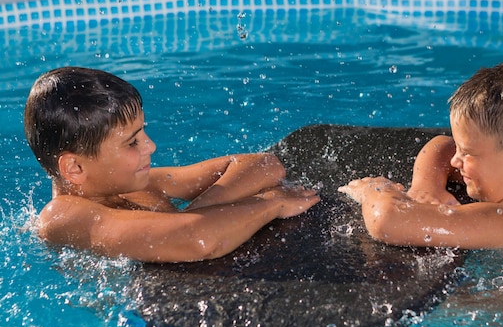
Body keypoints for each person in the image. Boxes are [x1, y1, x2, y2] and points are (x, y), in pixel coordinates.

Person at [24, 67, 319, 263]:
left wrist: (202, 208)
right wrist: (269, 204)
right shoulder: (62, 218)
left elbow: (265, 166)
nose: (150, 146)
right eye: (132, 142)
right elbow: (199, 239)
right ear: (74, 168)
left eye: (143, 133)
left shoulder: (137, 183)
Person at [339, 56, 503, 250]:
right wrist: (427, 186)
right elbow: (441, 145)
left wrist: (376, 191)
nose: (455, 160)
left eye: (467, 152)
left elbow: (388, 221)